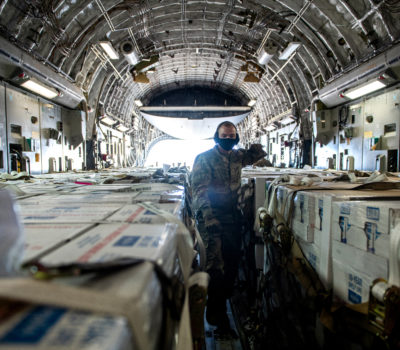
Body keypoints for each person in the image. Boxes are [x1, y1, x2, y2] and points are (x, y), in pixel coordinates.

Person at [190, 121, 267, 337]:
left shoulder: (236, 157)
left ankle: (222, 308)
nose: (228, 139)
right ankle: (217, 319)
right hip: (212, 218)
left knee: (232, 265)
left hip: (233, 217)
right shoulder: (204, 159)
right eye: (224, 135)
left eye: (232, 135)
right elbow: (199, 191)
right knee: (217, 268)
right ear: (216, 136)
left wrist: (257, 149)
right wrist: (208, 218)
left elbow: (257, 157)